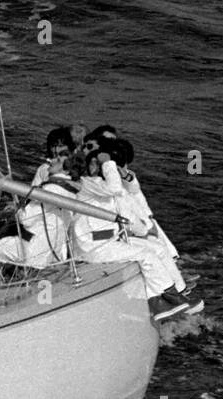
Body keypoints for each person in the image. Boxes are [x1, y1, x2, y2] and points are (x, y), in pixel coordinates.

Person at [70, 130, 192, 322]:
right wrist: (107, 162)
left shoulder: (100, 186)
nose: (99, 167)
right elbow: (115, 188)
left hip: (105, 242)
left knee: (156, 248)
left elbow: (124, 192)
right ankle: (158, 300)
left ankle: (177, 292)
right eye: (96, 163)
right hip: (91, 248)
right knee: (146, 255)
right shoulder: (89, 184)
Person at [0, 145, 80, 268]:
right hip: (53, 252)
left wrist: (17, 208)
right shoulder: (72, 192)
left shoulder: (48, 189)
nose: (51, 161)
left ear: (66, 170)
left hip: (31, 251)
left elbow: (26, 219)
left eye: (58, 160)